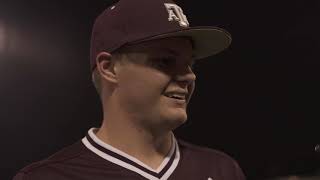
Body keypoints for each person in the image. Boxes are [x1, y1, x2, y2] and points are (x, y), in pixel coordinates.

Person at [13, 0, 246, 179]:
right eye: (165, 61)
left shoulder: (221, 169)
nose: (189, 75)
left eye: (190, 63)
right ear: (109, 68)